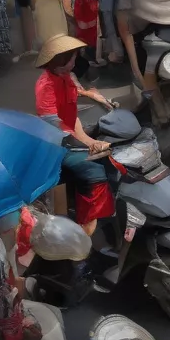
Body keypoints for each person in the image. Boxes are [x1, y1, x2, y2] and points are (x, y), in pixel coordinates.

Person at [33, 34, 115, 235]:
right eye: (73, 57)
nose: (76, 60)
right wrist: (84, 143)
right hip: (55, 142)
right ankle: (87, 228)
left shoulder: (66, 78)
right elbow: (55, 125)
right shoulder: (46, 86)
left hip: (69, 135)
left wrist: (88, 140)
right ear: (63, 59)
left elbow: (72, 117)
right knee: (93, 171)